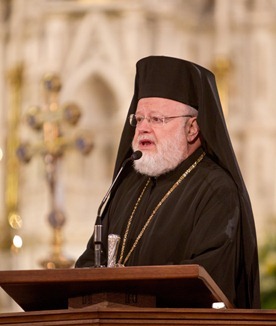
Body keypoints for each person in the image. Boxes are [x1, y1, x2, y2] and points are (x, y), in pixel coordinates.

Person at [75, 56, 260, 309]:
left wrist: (124, 291)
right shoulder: (126, 184)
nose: (143, 129)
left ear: (192, 128)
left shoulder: (217, 191)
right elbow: (88, 263)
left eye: (157, 119)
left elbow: (205, 283)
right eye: (138, 119)